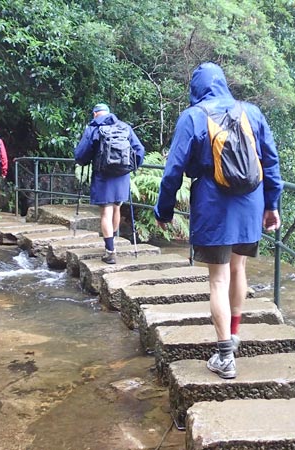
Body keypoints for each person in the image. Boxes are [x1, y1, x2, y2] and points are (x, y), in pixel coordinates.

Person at [154, 62, 283, 379]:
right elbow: (270, 161)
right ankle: (234, 334)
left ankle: (225, 355)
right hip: (250, 202)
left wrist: (165, 210)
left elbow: (173, 171)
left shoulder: (193, 117)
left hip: (213, 202)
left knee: (218, 279)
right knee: (238, 269)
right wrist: (272, 204)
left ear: (196, 88)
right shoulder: (250, 112)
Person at [75, 103, 145, 264]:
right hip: (122, 175)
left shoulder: (93, 128)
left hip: (103, 175)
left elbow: (81, 154)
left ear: (95, 114)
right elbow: (139, 150)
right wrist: (131, 166)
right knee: (116, 208)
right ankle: (112, 242)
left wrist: (83, 161)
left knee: (106, 212)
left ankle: (110, 251)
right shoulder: (124, 127)